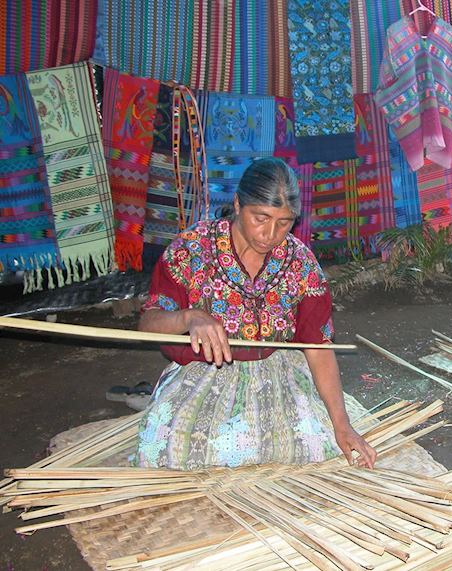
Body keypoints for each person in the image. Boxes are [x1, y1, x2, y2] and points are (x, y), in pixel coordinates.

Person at [135, 158, 377, 470]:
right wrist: (188, 317)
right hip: (206, 378)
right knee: (181, 452)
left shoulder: (301, 263)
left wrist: (342, 426)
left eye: (284, 222)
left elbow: (318, 349)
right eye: (260, 218)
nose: (270, 234)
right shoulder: (192, 250)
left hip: (279, 376)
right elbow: (147, 325)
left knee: (318, 447)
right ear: (237, 204)